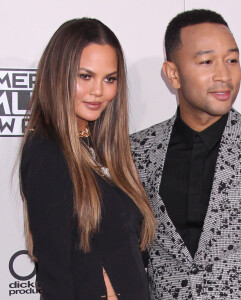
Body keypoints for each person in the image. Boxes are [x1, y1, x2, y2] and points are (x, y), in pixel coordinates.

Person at [131, 9, 241, 299]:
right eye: (207, 61)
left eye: (232, 60)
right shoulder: (137, 151)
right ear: (173, 74)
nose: (224, 75)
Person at [19, 18, 155, 300]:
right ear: (58, 74)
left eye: (110, 79)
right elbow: (55, 273)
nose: (98, 91)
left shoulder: (101, 146)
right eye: (85, 76)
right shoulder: (47, 152)